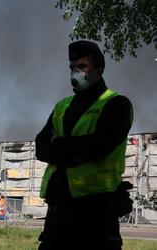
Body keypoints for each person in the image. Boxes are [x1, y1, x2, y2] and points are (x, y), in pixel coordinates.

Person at [35, 40, 133, 250]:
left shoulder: (116, 104)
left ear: (99, 68)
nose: (75, 73)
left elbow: (99, 147)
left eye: (82, 67)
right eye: (72, 67)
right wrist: (75, 149)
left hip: (96, 215)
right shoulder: (63, 106)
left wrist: (59, 145)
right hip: (58, 214)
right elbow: (40, 147)